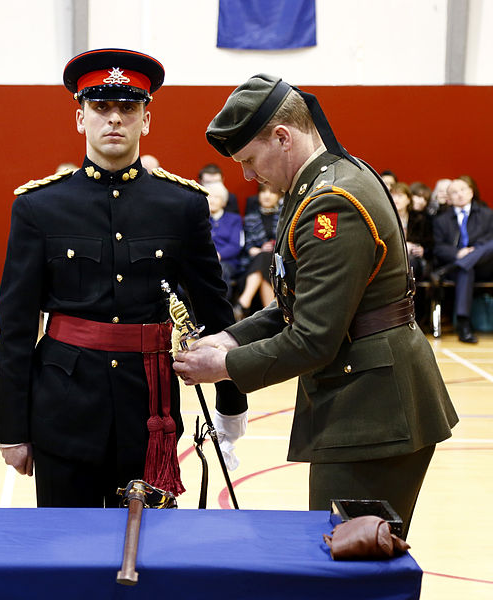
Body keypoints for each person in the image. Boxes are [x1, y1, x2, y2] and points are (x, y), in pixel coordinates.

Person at [173, 74, 457, 538]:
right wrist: (232, 335)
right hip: (364, 401)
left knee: (353, 561)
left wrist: (225, 365)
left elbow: (314, 337)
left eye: (248, 159)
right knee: (348, 555)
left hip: (374, 415)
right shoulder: (322, 181)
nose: (246, 175)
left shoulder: (332, 205)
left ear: (282, 137)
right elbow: (297, 301)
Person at [0, 48, 247, 507]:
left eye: (128, 108)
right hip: (64, 409)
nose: (114, 119)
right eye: (101, 107)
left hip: (149, 409)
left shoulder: (183, 205)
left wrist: (231, 405)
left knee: (151, 555)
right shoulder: (39, 207)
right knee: (67, 555)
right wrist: (12, 426)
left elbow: (214, 311)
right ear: (79, 117)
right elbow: (15, 325)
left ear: (146, 121)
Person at [432, 175, 493, 343]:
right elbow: (438, 248)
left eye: (463, 190)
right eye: (454, 192)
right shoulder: (441, 220)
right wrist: (457, 254)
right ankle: (464, 324)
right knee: (466, 269)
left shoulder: (487, 214)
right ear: (449, 199)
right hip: (461, 268)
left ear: (471, 192)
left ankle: (454, 267)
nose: (459, 194)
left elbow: (489, 239)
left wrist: (474, 250)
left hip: (485, 267)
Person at [233, 182, 282, 318]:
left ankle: (243, 303)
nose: (267, 196)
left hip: (279, 268)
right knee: (264, 256)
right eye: (263, 192)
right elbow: (248, 247)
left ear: (279, 196)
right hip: (251, 268)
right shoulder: (250, 218)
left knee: (267, 256)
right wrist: (258, 250)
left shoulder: (284, 216)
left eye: (271, 192)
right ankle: (272, 315)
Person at [203, 180, 243, 295]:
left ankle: (220, 308)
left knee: (220, 269)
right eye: (209, 197)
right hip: (204, 259)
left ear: (224, 201)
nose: (212, 200)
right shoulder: (200, 219)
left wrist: (218, 255)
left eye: (217, 197)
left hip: (227, 261)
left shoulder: (234, 219)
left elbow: (235, 245)